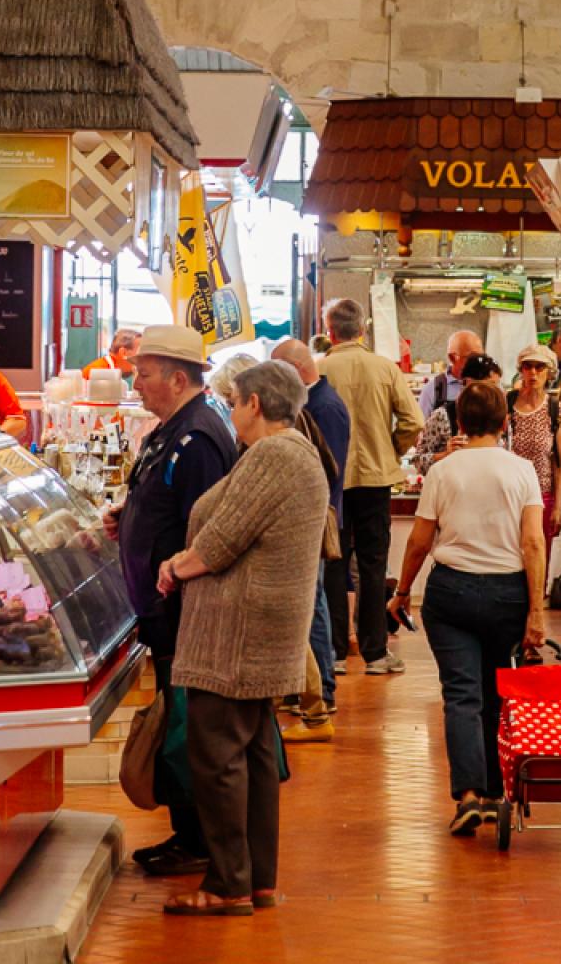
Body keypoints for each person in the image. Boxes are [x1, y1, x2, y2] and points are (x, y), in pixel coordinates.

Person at [156, 361, 329, 917]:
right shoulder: (291, 452)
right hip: (257, 629)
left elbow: (222, 540)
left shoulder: (276, 454)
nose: (231, 413)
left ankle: (229, 883)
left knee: (217, 758)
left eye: (234, 402)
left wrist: (176, 568)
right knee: (251, 757)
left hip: (236, 631)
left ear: (256, 403)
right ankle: (256, 880)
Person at [390, 382, 545, 836]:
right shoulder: (522, 471)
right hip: (508, 594)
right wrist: (536, 609)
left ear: (459, 423)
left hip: (450, 592)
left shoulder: (443, 471)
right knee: (498, 694)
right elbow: (533, 542)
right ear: (504, 423)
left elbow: (420, 540)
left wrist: (401, 592)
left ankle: (469, 797)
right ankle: (497, 792)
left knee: (461, 694)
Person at [112, 325, 239, 878]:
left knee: (188, 724)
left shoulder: (201, 436)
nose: (134, 382)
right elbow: (163, 503)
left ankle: (200, 839)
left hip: (183, 611)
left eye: (143, 373)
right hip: (161, 611)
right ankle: (188, 832)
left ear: (177, 377)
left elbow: (207, 531)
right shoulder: (170, 430)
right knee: (177, 720)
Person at [316, 298, 424, 677]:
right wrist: (389, 449)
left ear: (330, 330)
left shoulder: (320, 370)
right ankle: (376, 653)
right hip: (376, 480)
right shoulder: (384, 368)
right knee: (374, 564)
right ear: (362, 329)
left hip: (332, 482)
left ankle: (336, 653)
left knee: (334, 562)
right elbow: (413, 420)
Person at [271, 338, 349, 743]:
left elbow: (326, 473)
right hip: (312, 521)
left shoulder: (324, 407)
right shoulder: (312, 404)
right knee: (311, 605)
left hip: (314, 522)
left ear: (294, 371)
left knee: (313, 606)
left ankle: (324, 695)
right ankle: (304, 691)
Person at [508, 344, 561, 560]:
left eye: (539, 367)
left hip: (542, 496)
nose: (533, 373)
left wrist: (559, 505)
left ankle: (538, 595)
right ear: (521, 370)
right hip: (509, 496)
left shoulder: (556, 410)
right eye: (528, 366)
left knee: (538, 559)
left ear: (549, 372)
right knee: (509, 559)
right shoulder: (507, 404)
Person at [415, 353, 502, 470]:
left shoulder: (496, 415)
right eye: (490, 385)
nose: (495, 393)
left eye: (497, 386)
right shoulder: (443, 415)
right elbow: (419, 461)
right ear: (467, 382)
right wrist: (445, 455)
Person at [418, 330, 482, 420]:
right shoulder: (432, 390)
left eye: (481, 357)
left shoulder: (492, 386)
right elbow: (420, 429)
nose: (478, 362)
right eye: (472, 357)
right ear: (452, 358)